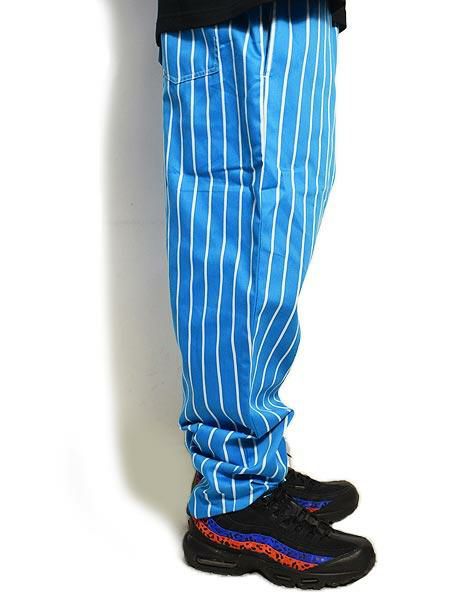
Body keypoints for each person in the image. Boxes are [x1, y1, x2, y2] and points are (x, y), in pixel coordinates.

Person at [155, 0, 375, 589]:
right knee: (240, 234)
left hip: (299, 11)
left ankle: (258, 461)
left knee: (286, 215)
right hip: (235, 14)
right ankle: (233, 494)